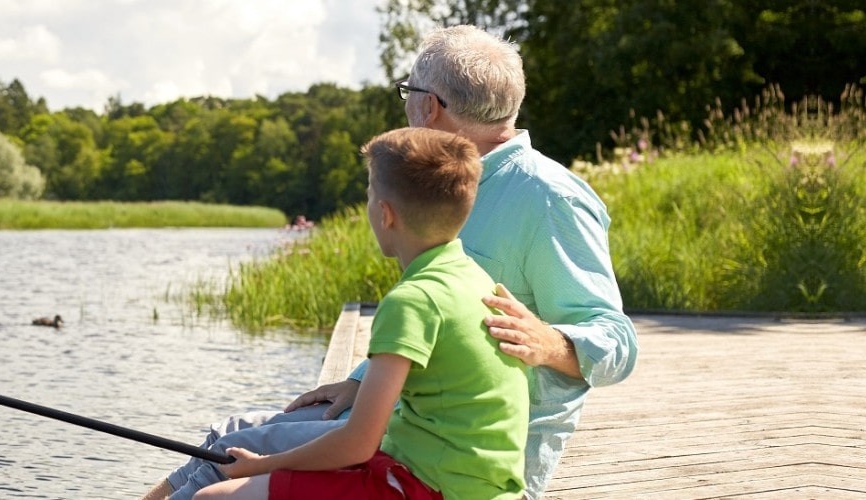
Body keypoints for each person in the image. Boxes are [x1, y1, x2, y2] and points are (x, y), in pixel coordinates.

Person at [149, 25, 638, 499]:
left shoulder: (549, 198)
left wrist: (551, 342)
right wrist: (360, 382)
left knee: (235, 452)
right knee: (229, 438)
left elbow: (618, 343)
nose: (404, 105)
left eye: (407, 91)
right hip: (403, 421)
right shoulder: (445, 184)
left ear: (427, 106)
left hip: (467, 463)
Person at [194, 127, 530, 500]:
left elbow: (358, 443)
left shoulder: (414, 299)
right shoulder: (474, 277)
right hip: (471, 481)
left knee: (213, 497)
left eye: (370, 195)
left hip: (433, 488)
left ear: (385, 214)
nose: (369, 205)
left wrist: (262, 464)